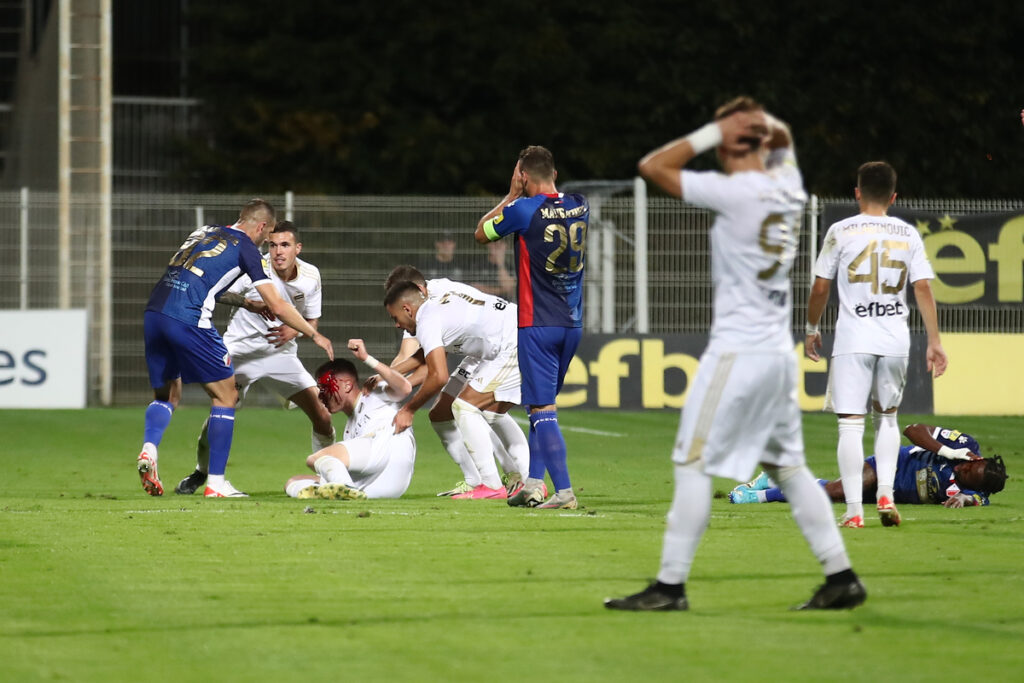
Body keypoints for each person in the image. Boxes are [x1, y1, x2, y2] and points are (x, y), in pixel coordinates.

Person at [605, 97, 864, 612]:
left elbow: (652, 166)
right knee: (788, 467)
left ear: (728, 143)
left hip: (737, 353)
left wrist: (709, 131)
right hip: (774, 354)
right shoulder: (789, 188)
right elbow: (783, 140)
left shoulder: (736, 191)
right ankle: (841, 577)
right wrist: (761, 126)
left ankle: (670, 586)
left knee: (692, 461)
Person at [138, 199, 334, 498]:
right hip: (195, 322)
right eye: (268, 240)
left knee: (168, 395)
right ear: (261, 228)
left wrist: (249, 304)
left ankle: (149, 450)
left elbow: (201, 275)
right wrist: (314, 334)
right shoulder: (248, 251)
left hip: (155, 312)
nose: (269, 246)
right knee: (225, 396)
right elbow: (278, 305)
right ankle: (214, 483)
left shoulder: (203, 231)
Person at [805, 161, 947, 529]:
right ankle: (885, 492)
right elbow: (923, 288)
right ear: (893, 196)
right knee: (887, 418)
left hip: (854, 338)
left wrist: (811, 327)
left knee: (850, 425)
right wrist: (934, 340)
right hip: (894, 338)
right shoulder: (906, 233)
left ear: (857, 192)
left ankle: (854, 511)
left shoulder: (841, 230)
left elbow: (821, 286)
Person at [474, 145, 588, 510]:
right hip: (572, 323)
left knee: (542, 410)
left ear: (523, 177)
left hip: (536, 324)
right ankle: (534, 484)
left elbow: (481, 233)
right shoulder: (580, 203)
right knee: (544, 407)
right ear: (554, 173)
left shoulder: (523, 209)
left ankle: (564, 491)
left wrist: (511, 195)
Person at [382, 265, 529, 497]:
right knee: (442, 412)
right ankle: (477, 480)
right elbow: (428, 356)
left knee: (470, 407)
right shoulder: (427, 307)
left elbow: (436, 373)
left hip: (507, 341)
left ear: (411, 299)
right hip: (481, 347)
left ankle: (504, 481)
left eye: (395, 316)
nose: (397, 324)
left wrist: (408, 409)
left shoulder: (429, 312)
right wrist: (386, 374)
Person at [731, 424, 1007, 508]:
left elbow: (979, 501)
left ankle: (777, 479)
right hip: (891, 466)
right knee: (839, 492)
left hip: (894, 496)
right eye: (969, 467)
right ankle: (758, 495)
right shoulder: (963, 444)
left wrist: (966, 499)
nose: (962, 470)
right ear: (977, 460)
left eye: (968, 477)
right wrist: (949, 451)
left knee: (828, 493)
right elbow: (913, 430)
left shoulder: (978, 493)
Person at [284, 339, 415, 500]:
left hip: (391, 455)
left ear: (347, 385)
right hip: (380, 485)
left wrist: (367, 358)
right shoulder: (349, 429)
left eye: (324, 387)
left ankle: (343, 488)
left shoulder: (373, 393)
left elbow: (405, 387)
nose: (321, 395)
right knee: (293, 482)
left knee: (316, 458)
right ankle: (341, 491)